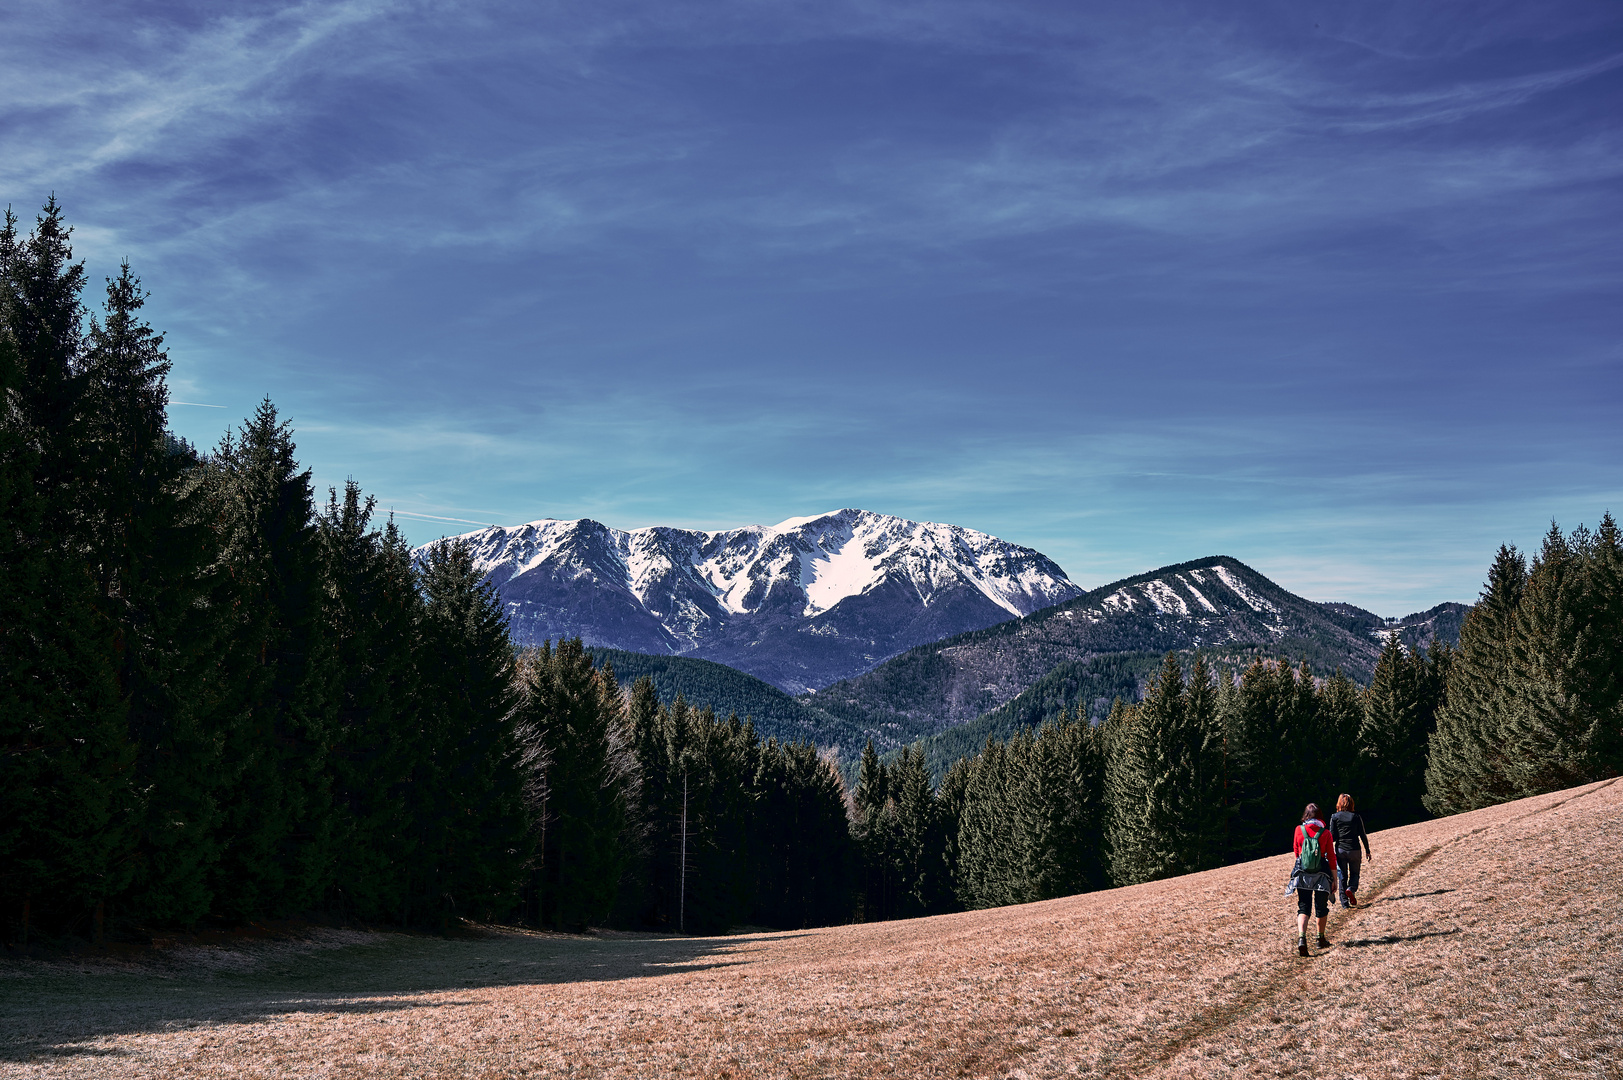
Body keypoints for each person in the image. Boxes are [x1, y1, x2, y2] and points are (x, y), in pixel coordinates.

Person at [1287, 803, 1337, 956]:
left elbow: (1296, 852)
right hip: (1321, 874)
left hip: (1303, 874)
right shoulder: (1326, 833)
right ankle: (1320, 938)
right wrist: (1334, 879)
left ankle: (1302, 938)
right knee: (1321, 907)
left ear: (1306, 816)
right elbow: (1331, 856)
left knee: (1303, 907)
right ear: (1320, 816)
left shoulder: (1298, 830)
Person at [1329, 793, 1372, 908]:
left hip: (1340, 850)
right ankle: (1351, 888)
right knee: (1355, 873)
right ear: (1351, 804)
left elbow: (1332, 836)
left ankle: (1344, 903)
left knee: (1342, 875)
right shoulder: (1356, 817)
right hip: (1354, 849)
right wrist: (1367, 850)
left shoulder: (1334, 817)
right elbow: (1362, 835)